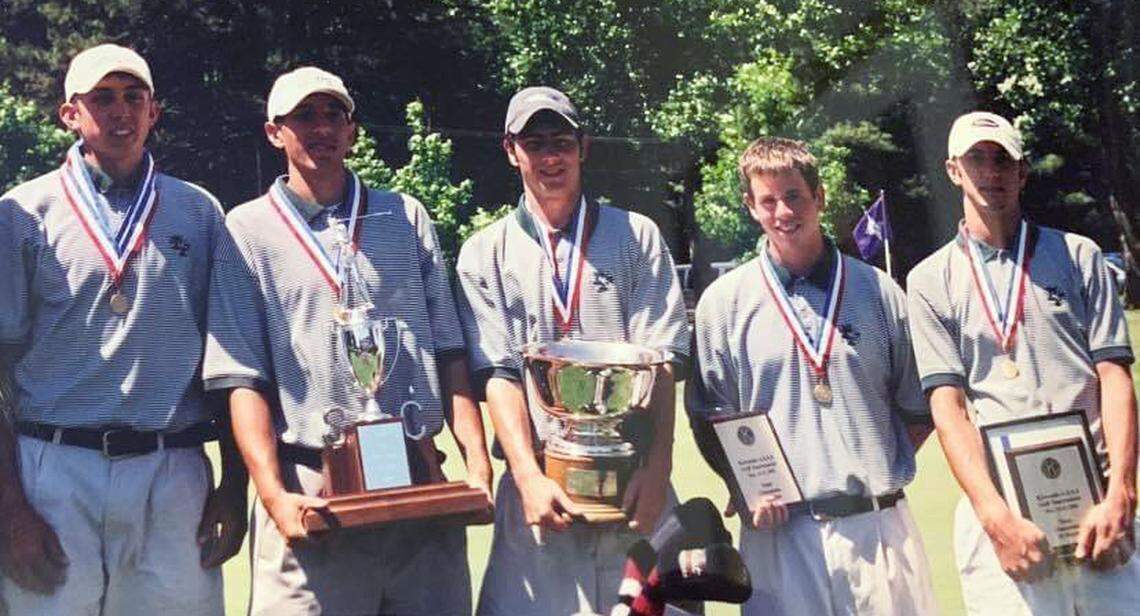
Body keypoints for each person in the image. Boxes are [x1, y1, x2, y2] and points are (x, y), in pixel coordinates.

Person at [202, 66, 492, 615]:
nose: (321, 127)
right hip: (310, 487)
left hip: (419, 482)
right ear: (274, 132)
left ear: (353, 129)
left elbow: (449, 350)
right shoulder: (245, 230)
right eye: (304, 116)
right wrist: (272, 495)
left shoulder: (405, 215)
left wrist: (477, 463)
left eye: (333, 113)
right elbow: (242, 378)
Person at [0, 43, 246, 615]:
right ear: (70, 113)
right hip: (54, 467)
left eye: (134, 97)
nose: (120, 112)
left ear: (153, 112)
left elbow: (230, 360)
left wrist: (233, 487)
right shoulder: (21, 213)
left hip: (172, 465)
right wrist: (9, 508)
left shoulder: (199, 212)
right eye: (101, 98)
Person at [455, 86, 690, 615]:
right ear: (510, 150)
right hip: (539, 496)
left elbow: (662, 364)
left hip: (635, 487)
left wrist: (656, 475)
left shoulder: (638, 236)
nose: (550, 157)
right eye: (534, 143)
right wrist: (528, 478)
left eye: (560, 141)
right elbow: (499, 377)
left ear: (583, 146)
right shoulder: (484, 252)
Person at [686, 137, 938, 615]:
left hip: (876, 527)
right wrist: (747, 483)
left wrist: (867, 466)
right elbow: (708, 416)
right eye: (768, 200)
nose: (783, 211)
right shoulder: (723, 304)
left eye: (794, 195)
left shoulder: (878, 291)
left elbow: (918, 409)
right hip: (779, 534)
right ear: (750, 207)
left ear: (819, 197)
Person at [907, 111, 1140, 614]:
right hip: (1005, 517)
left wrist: (1122, 491)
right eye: (976, 159)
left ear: (1023, 171)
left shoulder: (1079, 256)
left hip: (1097, 504)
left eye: (1002, 160)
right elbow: (949, 410)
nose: (991, 172)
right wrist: (995, 519)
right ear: (953, 170)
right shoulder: (928, 281)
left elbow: (1115, 377)